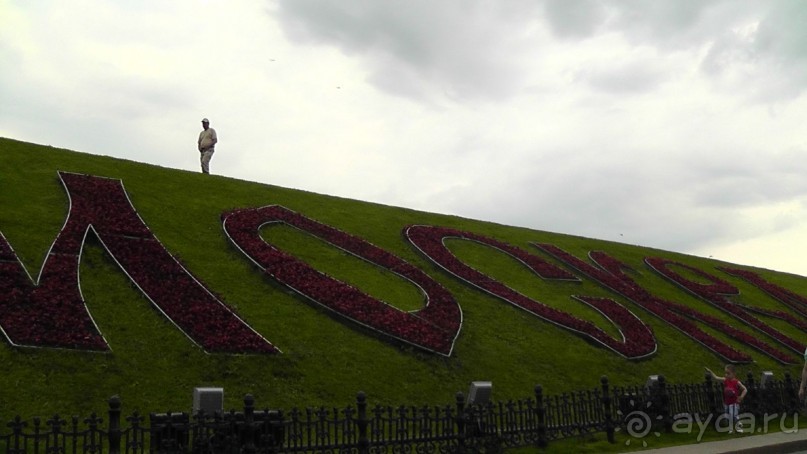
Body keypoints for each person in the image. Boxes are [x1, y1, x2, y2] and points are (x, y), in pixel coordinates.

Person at [706, 365, 747, 433]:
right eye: (726, 373)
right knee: (728, 415)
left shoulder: (736, 382)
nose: (726, 375)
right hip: (727, 402)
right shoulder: (725, 380)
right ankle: (732, 428)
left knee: (733, 415)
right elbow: (716, 378)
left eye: (728, 373)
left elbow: (745, 389)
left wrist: (741, 397)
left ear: (733, 374)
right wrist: (710, 372)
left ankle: (738, 427)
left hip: (734, 403)